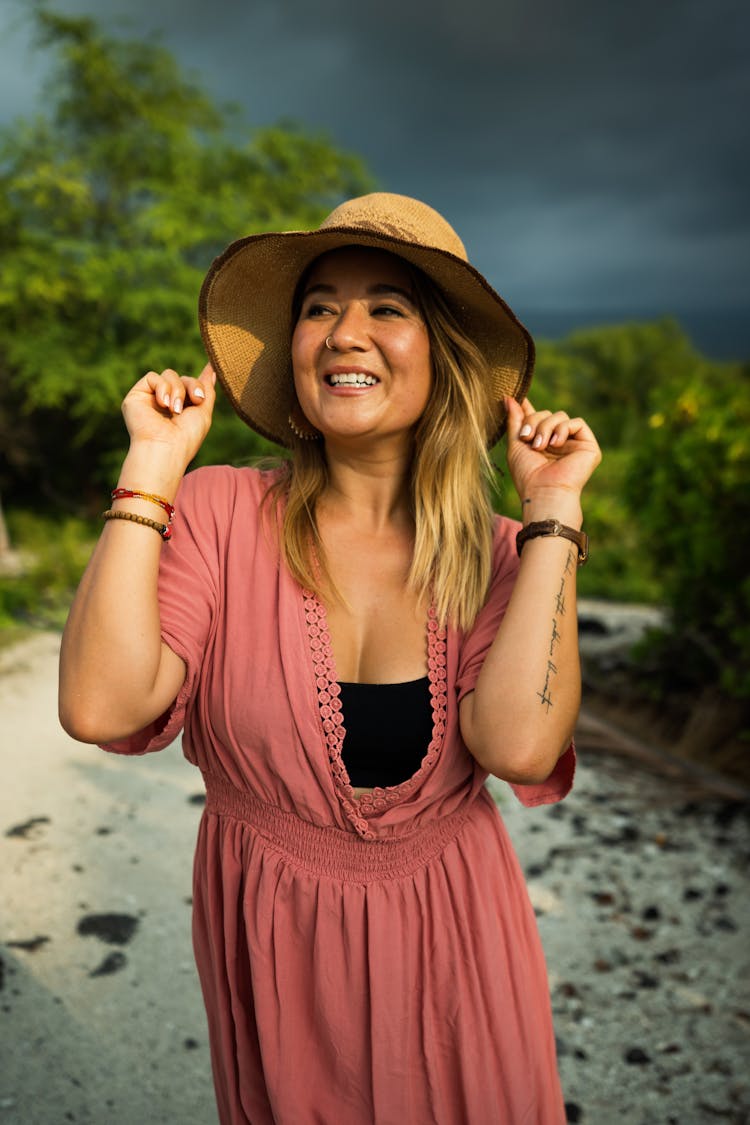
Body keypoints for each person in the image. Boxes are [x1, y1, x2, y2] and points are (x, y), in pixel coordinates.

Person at [59, 192, 601, 1124]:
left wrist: (553, 513)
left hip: (459, 949)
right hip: (280, 956)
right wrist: (151, 466)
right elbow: (102, 706)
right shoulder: (218, 512)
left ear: (442, 354)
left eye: (387, 307)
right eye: (320, 307)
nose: (346, 332)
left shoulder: (501, 550)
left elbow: (517, 744)